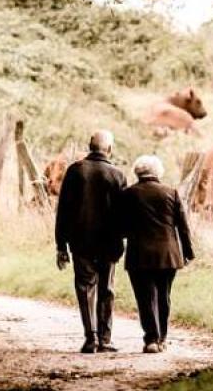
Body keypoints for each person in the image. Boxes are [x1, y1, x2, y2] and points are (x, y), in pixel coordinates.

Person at [54, 130, 127, 353]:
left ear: (89, 145)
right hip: (109, 242)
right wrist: (123, 238)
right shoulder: (117, 175)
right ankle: (105, 339)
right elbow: (124, 214)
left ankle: (90, 338)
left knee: (85, 288)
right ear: (110, 150)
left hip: (81, 241)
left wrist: (61, 245)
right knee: (107, 289)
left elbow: (63, 211)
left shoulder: (76, 171)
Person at [121, 155, 195, 353]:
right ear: (158, 172)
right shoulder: (171, 193)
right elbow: (183, 226)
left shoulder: (128, 194)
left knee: (145, 297)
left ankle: (151, 339)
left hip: (139, 254)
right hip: (168, 254)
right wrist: (188, 252)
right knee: (164, 295)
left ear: (138, 172)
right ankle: (162, 337)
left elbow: (121, 226)